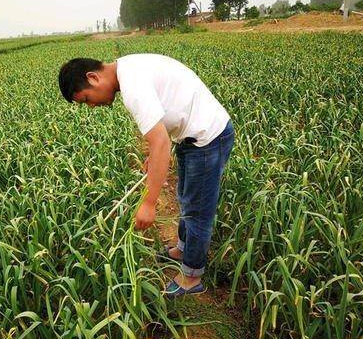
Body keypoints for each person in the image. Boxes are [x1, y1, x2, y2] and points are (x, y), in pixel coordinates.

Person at [58, 54, 235, 297]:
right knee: (186, 198)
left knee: (197, 211)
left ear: (93, 77)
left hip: (207, 137)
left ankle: (192, 278)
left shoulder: (133, 87)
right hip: (190, 136)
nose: (91, 105)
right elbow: (159, 137)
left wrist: (149, 203)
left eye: (87, 99)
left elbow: (160, 141)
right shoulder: (127, 69)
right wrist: (156, 152)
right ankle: (183, 250)